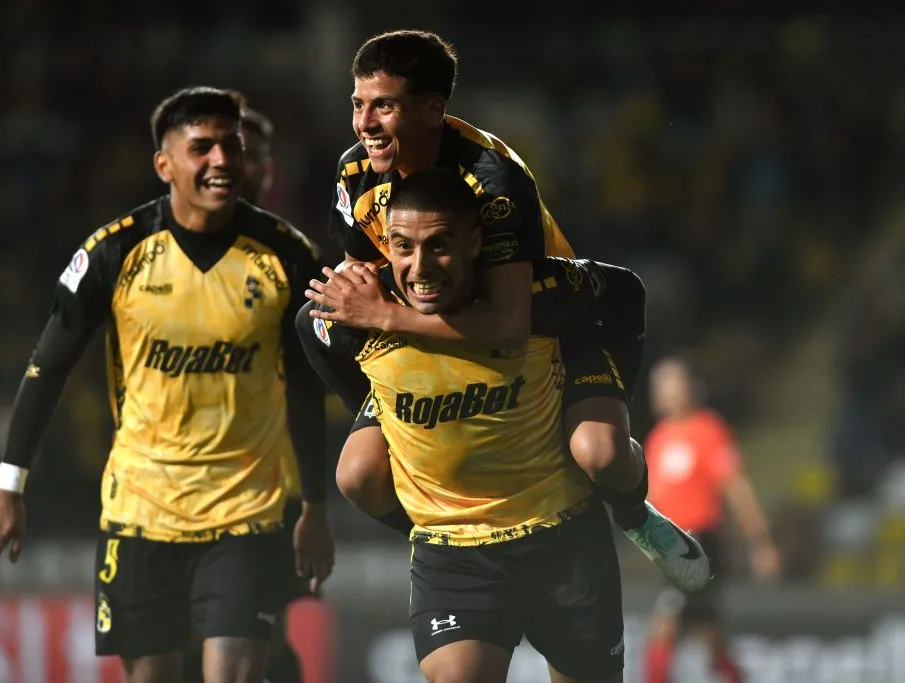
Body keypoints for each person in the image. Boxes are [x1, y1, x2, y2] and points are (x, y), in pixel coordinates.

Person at [307, 28, 707, 587]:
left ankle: (636, 517)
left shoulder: (492, 180)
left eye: (383, 107)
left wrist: (388, 318)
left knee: (600, 453)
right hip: (437, 324)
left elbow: (507, 322)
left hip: (551, 323)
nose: (365, 124)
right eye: (358, 105)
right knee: (354, 469)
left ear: (432, 110)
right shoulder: (356, 173)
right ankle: (432, 533)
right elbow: (358, 282)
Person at [0, 86, 333, 683]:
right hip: (141, 512)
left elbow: (305, 386)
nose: (220, 160)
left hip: (246, 510)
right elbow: (48, 366)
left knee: (239, 670)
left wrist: (316, 506)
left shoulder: (286, 256)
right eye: (202, 148)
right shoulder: (116, 252)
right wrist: (8, 487)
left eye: (230, 146)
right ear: (164, 164)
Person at [301, 167, 633, 682]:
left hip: (561, 537)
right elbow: (310, 331)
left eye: (439, 246)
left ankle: (635, 502)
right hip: (454, 550)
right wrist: (374, 408)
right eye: (403, 247)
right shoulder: (354, 310)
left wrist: (610, 398)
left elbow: (626, 292)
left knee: (605, 452)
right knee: (356, 474)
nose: (419, 266)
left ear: (476, 242)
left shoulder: (534, 298)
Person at [178, 91, 308, 683]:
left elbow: (313, 381)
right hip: (174, 479)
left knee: (258, 634)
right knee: (185, 634)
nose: (236, 163)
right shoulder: (163, 250)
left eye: (251, 152)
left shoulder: (294, 260)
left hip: (269, 485)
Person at [641, 356, 781, 683]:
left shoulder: (708, 431)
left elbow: (736, 489)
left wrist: (761, 543)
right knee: (711, 637)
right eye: (659, 384)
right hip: (671, 550)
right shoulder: (657, 439)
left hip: (700, 545)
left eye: (672, 382)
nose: (664, 391)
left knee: (664, 628)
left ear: (691, 388)